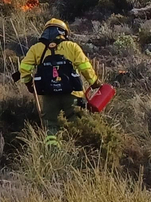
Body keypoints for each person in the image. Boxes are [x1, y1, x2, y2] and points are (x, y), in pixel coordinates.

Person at [15, 18, 101, 146]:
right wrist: (94, 82)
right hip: (73, 95)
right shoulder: (72, 47)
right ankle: (81, 150)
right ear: (63, 32)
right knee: (77, 122)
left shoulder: (36, 49)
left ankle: (53, 152)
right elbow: (85, 67)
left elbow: (24, 68)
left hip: (49, 96)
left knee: (50, 125)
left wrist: (29, 84)